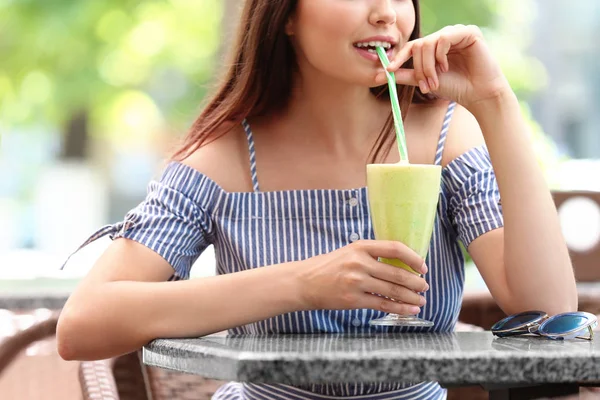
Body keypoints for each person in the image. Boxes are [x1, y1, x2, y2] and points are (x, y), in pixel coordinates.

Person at [56, 0, 578, 398]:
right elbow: (84, 323)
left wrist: (496, 103)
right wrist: (302, 284)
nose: (385, 14)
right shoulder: (223, 156)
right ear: (285, 15)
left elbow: (548, 308)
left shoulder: (444, 136)